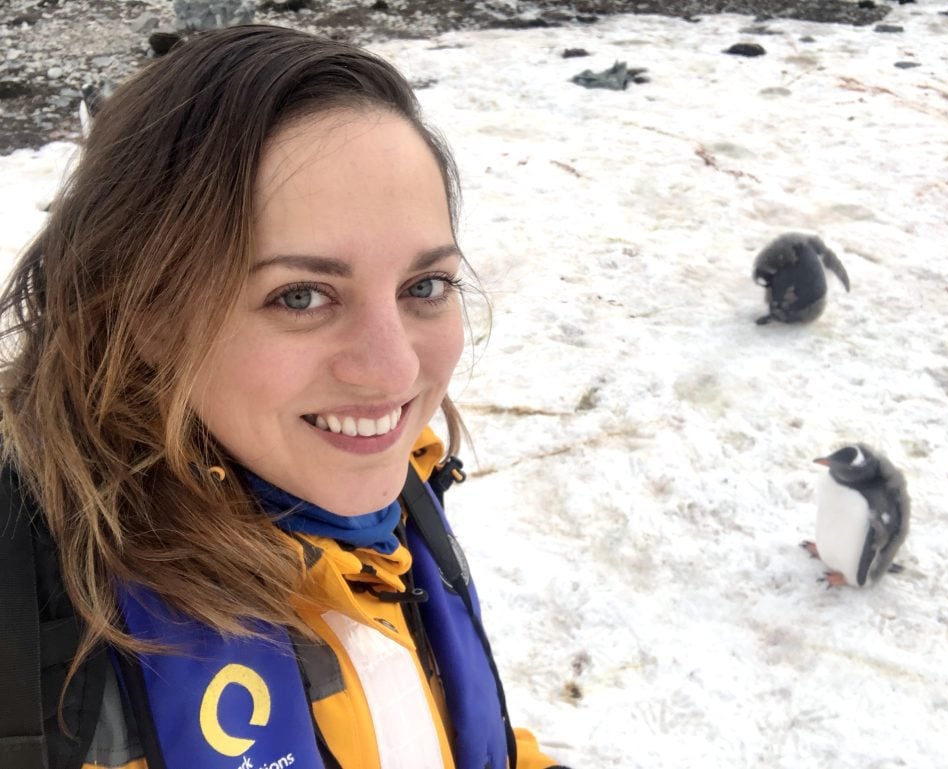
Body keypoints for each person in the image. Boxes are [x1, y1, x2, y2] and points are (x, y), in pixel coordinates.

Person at [0, 24, 568, 769]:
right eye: (300, 296)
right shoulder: (42, 632)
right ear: (148, 317)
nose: (394, 372)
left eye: (425, 286)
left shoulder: (394, 508)